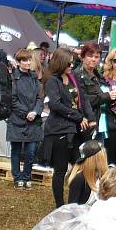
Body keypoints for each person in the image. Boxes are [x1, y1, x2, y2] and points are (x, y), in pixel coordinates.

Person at [42, 48, 95, 208]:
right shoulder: (53, 81)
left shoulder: (73, 78)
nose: (72, 65)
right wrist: (78, 117)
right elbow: (55, 105)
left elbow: (84, 100)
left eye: (73, 62)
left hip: (76, 131)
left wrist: (90, 118)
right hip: (59, 131)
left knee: (81, 165)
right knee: (60, 169)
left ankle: (76, 201)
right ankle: (59, 206)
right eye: (69, 62)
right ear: (61, 62)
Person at [7, 48, 44, 189]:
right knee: (16, 150)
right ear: (19, 62)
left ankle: (27, 176)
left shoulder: (35, 78)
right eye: (24, 60)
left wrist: (35, 112)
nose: (28, 62)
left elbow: (40, 98)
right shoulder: (13, 78)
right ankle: (17, 177)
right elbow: (13, 99)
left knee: (31, 150)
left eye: (29, 59)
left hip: (33, 119)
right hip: (17, 118)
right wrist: (26, 112)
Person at [73, 42, 112, 143]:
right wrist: (107, 96)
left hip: (100, 121)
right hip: (85, 122)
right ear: (82, 57)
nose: (93, 59)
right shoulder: (76, 74)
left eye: (96, 56)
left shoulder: (98, 74)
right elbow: (82, 100)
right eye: (90, 56)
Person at [67, 140, 107, 205]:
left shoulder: (102, 176)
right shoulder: (79, 179)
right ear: (96, 158)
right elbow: (72, 208)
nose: (105, 159)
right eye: (103, 155)